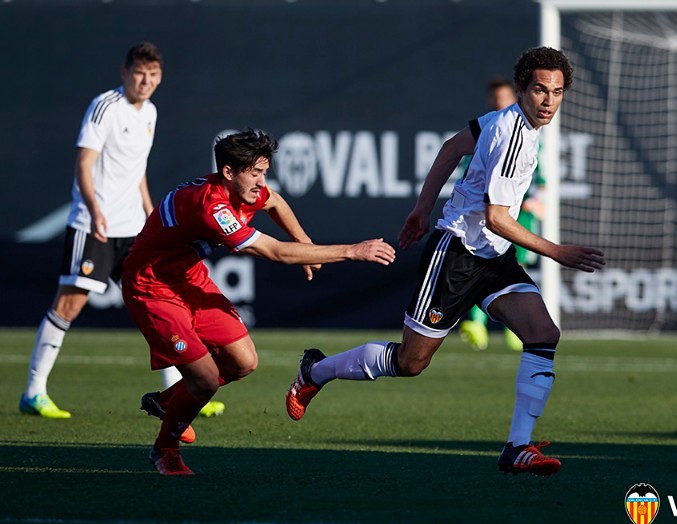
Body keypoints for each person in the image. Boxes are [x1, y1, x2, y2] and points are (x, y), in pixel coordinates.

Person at [286, 47, 605, 476]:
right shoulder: (510, 133)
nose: (549, 101)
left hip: (493, 256)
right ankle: (316, 371)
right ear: (521, 88)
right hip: (456, 254)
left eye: (557, 92)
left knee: (543, 333)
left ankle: (517, 447)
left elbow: (452, 147)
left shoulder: (513, 122)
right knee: (410, 363)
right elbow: (496, 217)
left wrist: (421, 209)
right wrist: (557, 251)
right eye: (540, 90)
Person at [123, 130, 396, 475]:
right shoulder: (211, 207)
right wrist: (352, 251)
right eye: (254, 173)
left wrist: (306, 244)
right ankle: (165, 450)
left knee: (243, 362)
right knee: (205, 380)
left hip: (189, 278)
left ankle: (169, 402)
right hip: (152, 288)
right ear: (228, 172)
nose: (261, 182)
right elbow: (274, 252)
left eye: (264, 172)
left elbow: (275, 202)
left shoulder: (243, 190)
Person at [19, 42, 164, 420]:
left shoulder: (150, 112)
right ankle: (34, 392)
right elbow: (84, 164)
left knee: (157, 304)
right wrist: (96, 211)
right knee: (68, 305)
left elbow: (137, 170)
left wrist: (150, 213)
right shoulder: (105, 107)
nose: (145, 81)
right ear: (124, 72)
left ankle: (180, 392)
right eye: (139, 73)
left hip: (132, 230)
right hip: (93, 227)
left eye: (153, 74)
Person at [460, 76, 544, 353]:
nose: (501, 103)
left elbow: (541, 176)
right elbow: (465, 166)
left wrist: (537, 200)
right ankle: (477, 324)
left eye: (505, 98)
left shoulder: (530, 135)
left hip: (519, 212)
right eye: (496, 99)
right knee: (483, 263)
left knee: (513, 267)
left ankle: (513, 327)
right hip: (489, 212)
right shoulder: (486, 130)